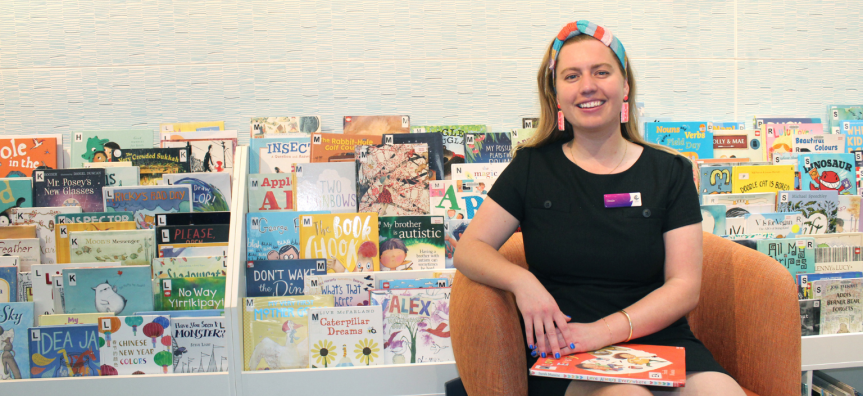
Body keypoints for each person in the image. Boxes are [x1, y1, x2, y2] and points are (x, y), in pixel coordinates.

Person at [453, 21, 745, 395]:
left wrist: (604, 331)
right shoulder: (531, 168)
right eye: (571, 76)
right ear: (556, 95)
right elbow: (469, 248)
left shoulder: (670, 171)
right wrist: (523, 282)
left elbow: (684, 287)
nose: (587, 85)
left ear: (625, 86)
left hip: (658, 338)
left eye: (601, 72)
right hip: (567, 345)